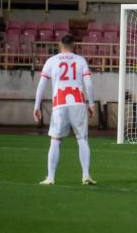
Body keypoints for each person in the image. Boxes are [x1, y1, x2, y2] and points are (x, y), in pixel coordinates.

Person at [33, 34, 96, 186]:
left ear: (59, 45)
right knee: (82, 139)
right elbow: (88, 83)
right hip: (78, 102)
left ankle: (50, 177)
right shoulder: (80, 60)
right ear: (73, 45)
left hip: (60, 103)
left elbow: (41, 85)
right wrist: (92, 103)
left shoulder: (52, 61)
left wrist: (37, 105)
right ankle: (86, 175)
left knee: (55, 140)